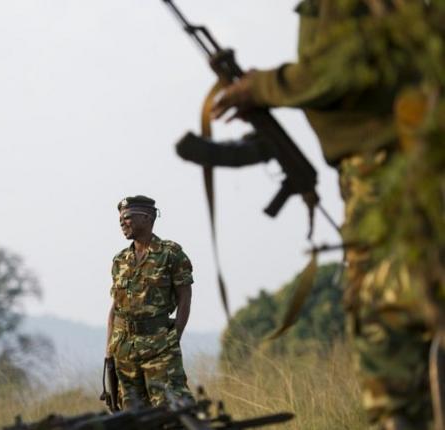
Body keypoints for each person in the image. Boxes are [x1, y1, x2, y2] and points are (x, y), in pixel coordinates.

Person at [210, 1, 442, 428]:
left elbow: (340, 69)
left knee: (388, 337)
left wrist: (262, 87)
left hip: (391, 177)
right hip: (405, 169)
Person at [104, 195, 195, 409]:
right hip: (124, 350)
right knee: (133, 418)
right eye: (120, 218)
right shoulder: (119, 260)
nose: (122, 222)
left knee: (174, 411)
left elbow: (185, 296)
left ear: (146, 218)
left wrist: (175, 337)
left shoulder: (170, 253)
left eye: (127, 217)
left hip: (159, 346)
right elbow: (115, 308)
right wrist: (109, 353)